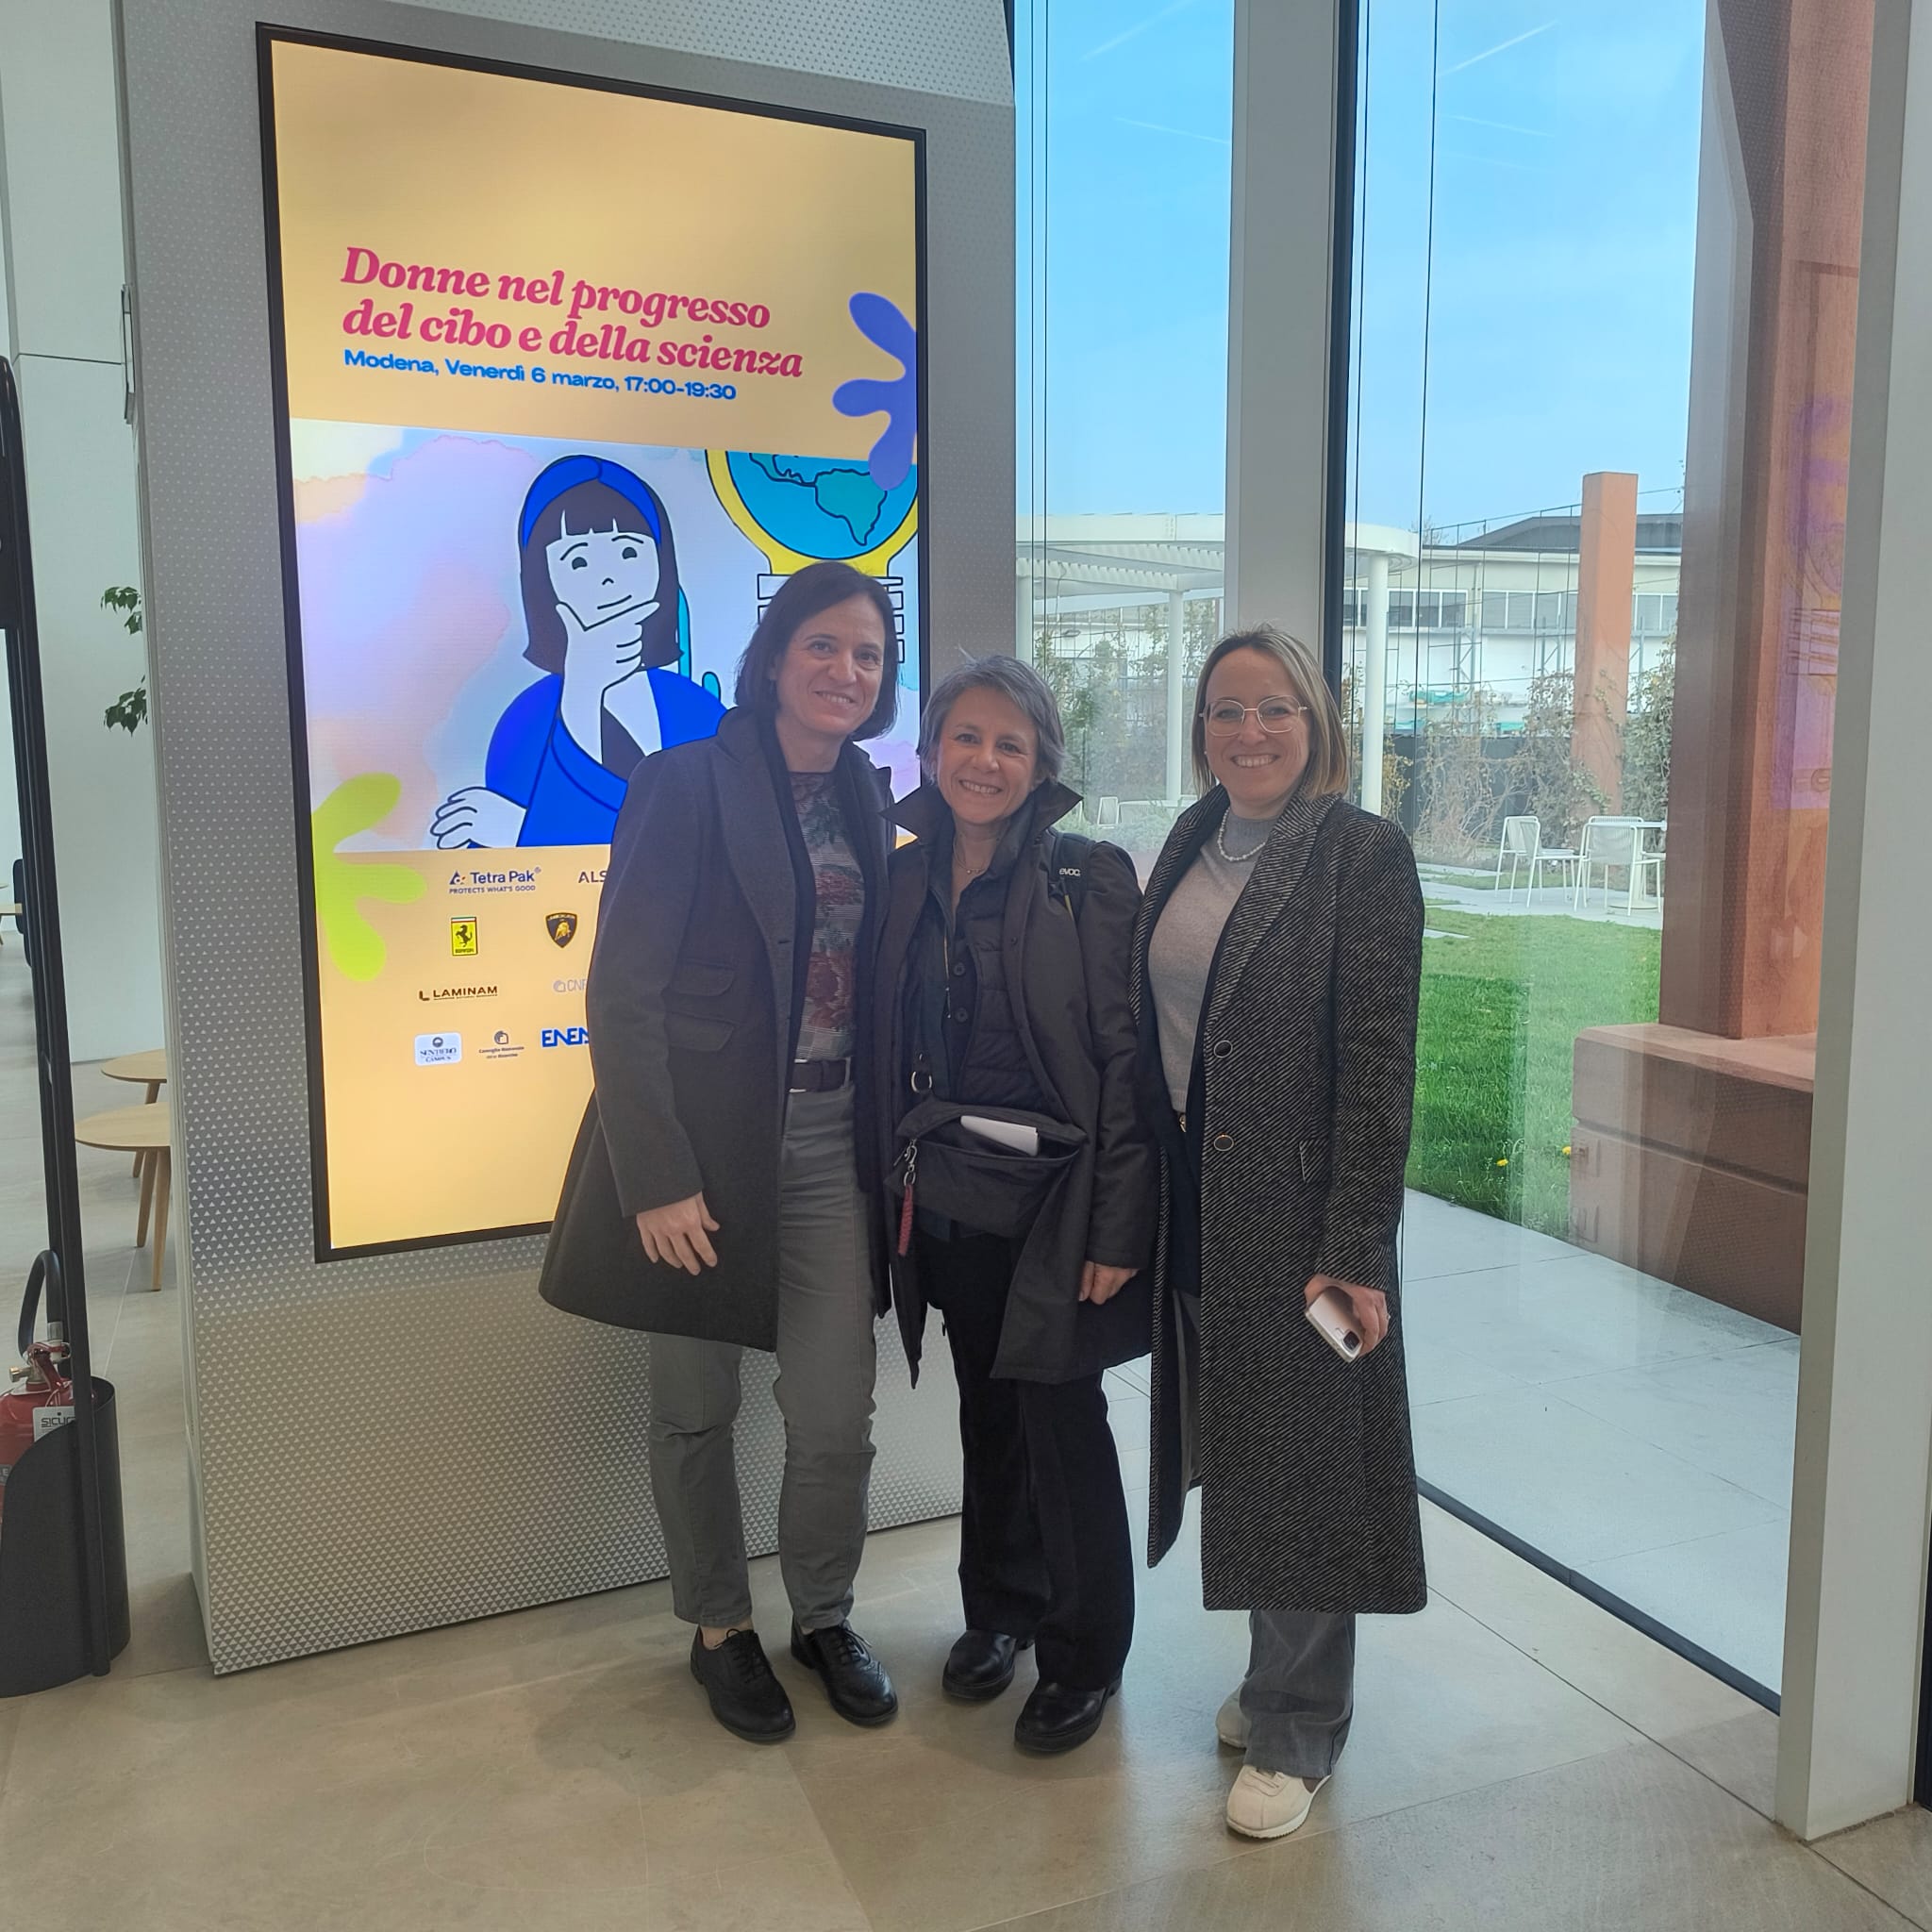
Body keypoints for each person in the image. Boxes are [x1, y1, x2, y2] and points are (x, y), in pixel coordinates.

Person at [540, 558, 901, 1744]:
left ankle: (824, 1615)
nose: (845, 669)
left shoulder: (868, 797)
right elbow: (621, 989)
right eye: (822, 645)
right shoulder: (684, 779)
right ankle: (717, 1625)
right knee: (695, 1408)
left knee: (835, 1414)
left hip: (828, 1145)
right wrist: (655, 1174)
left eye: (867, 652)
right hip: (704, 1149)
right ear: (774, 656)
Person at [1130, 625, 1425, 1840]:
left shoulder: (1361, 853)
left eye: (1272, 708)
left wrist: (1352, 1248)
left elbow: (1378, 1065)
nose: (1246, 731)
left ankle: (1300, 1724)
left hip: (1301, 1215)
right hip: (1194, 1194)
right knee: (1242, 1441)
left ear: (1316, 720)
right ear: (1198, 727)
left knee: (1303, 1461)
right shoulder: (1189, 837)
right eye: (1224, 709)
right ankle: (1272, 1677)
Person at [872, 657, 1155, 1755]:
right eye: (965, 737)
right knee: (986, 1413)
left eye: (1009, 743)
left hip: (1059, 1201)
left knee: (1061, 1420)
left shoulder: (1088, 877)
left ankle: (1084, 1653)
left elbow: (1125, 1064)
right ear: (929, 751)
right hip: (948, 1196)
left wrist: (1118, 1225)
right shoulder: (905, 875)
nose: (983, 760)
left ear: (1041, 765)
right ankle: (999, 1610)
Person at [432, 454, 724, 849]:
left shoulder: (696, 709)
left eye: (629, 553)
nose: (608, 578)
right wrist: (581, 694)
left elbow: (719, 836)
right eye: (579, 560)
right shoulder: (526, 720)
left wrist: (526, 832)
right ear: (544, 581)